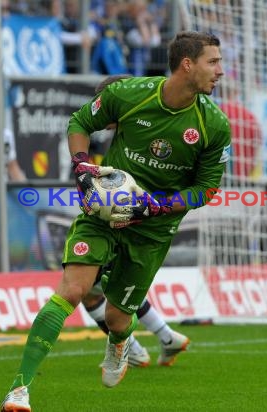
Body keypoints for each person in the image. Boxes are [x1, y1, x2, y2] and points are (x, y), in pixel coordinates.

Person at [0, 31, 231, 411]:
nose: (220, 71)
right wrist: (81, 167)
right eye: (213, 62)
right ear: (187, 64)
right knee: (72, 290)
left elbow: (205, 190)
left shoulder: (214, 126)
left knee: (117, 318)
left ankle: (119, 343)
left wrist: (153, 208)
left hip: (153, 230)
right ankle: (19, 390)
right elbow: (79, 122)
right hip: (103, 213)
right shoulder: (130, 93)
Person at [82, 73, 190, 369]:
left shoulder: (134, 137)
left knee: (88, 289)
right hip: (135, 218)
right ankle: (165, 338)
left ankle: (131, 347)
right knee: (112, 287)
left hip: (135, 220)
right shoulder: (129, 132)